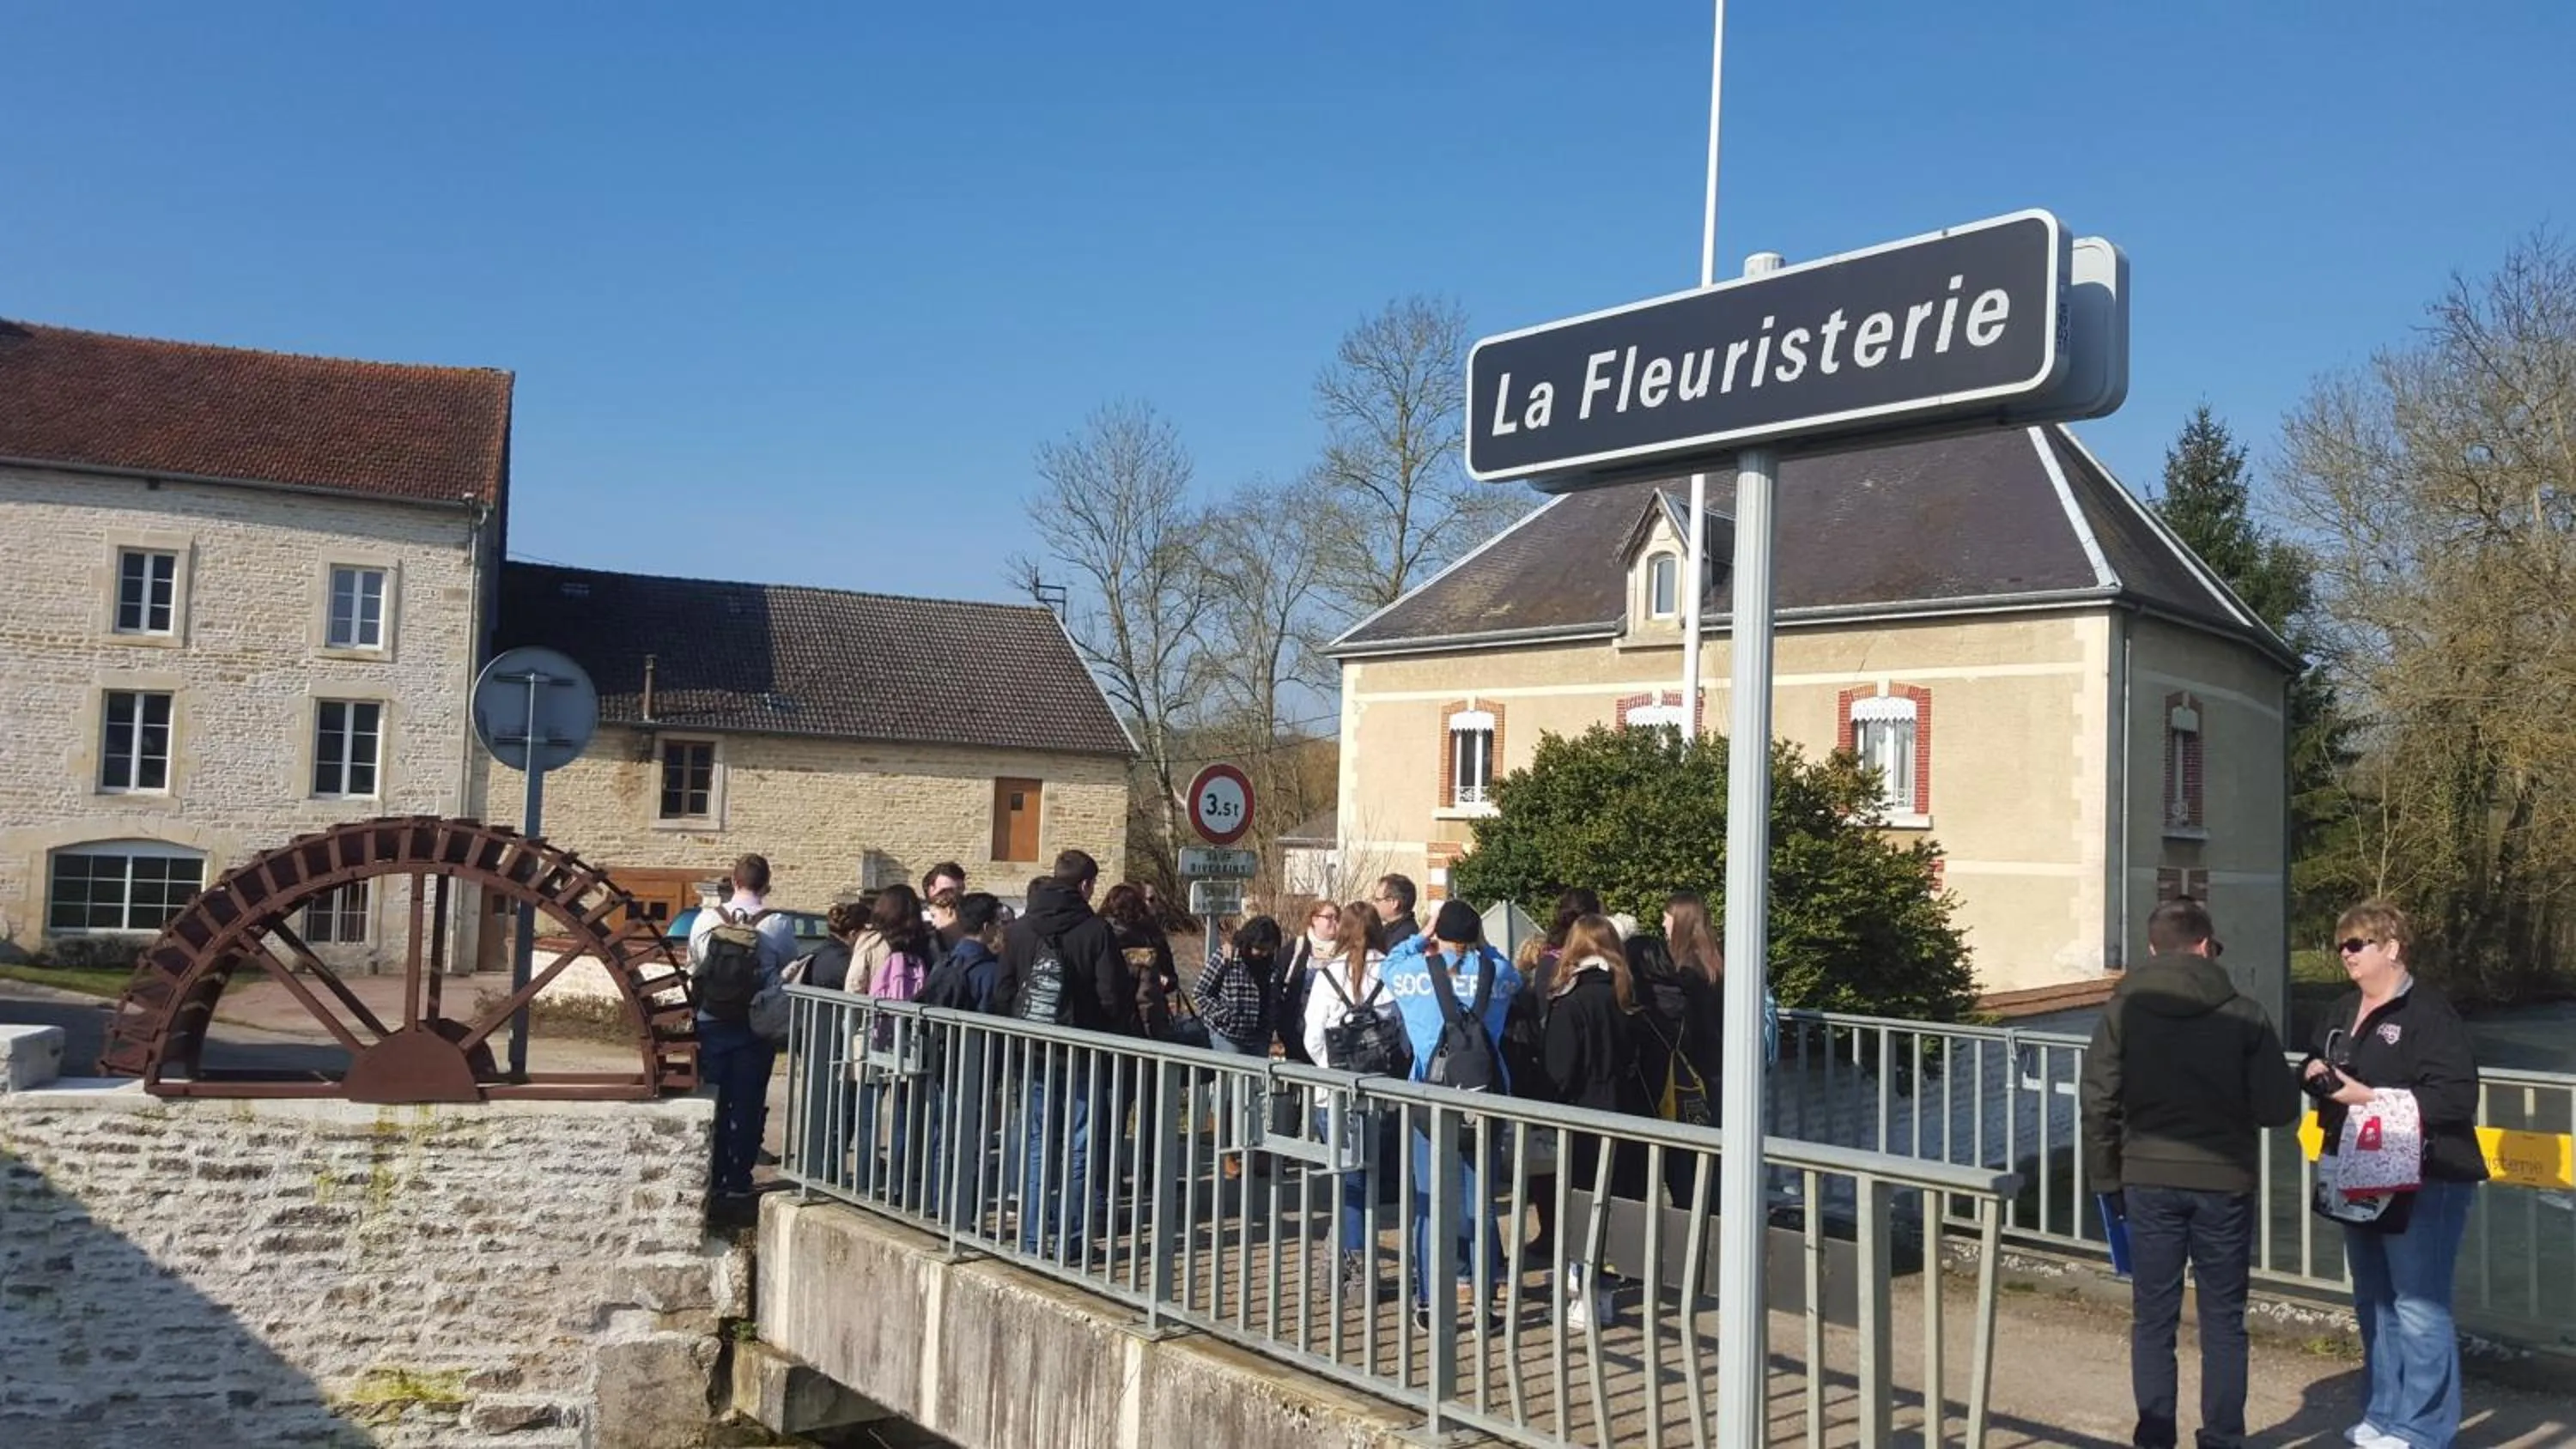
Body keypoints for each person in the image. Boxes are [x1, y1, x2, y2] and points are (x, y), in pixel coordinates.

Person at [2080, 897, 2302, 1449]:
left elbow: (2099, 1102)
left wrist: (2108, 1180)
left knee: (2153, 1320)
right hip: (2225, 1182)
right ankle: (2222, 1438)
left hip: (2147, 1180)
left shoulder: (2122, 1011)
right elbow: (2278, 1109)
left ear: (2152, 949)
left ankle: (2155, 1437)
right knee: (2224, 1321)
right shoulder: (2245, 1013)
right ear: (2206, 946)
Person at [2302, 900, 2485, 1449]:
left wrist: (2372, 1097)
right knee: (2375, 1301)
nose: (2347, 955)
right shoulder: (2341, 1008)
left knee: (2419, 1305)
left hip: (2429, 1177)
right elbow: (2315, 1064)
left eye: (2357, 944)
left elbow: (2455, 1098)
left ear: (2392, 948)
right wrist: (2312, 1073)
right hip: (2358, 1173)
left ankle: (2424, 1428)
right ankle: (2384, 1413)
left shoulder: (2429, 1014)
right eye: (2341, 946)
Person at [1382, 899, 1525, 1328]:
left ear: (1438, 933)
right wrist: (1485, 947)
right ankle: (1486, 1305)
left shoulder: (1411, 975)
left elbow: (1389, 964)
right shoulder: (1497, 975)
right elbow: (1514, 973)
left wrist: (1419, 936)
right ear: (1476, 936)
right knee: (1482, 1205)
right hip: (1485, 1098)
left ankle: (1429, 1304)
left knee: (1431, 1205)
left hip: (1431, 1100)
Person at [1000, 850, 1133, 1257]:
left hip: (1033, 1052)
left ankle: (1032, 1237)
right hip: (1083, 1051)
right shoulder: (1095, 931)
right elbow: (1113, 996)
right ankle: (1071, 1241)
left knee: (1039, 1143)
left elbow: (1003, 990)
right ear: (1086, 885)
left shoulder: (1020, 931)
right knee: (1079, 1146)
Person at [1542, 913, 1655, 1331]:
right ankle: (1604, 1295)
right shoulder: (1626, 997)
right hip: (1624, 1111)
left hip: (1582, 1114)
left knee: (1581, 1204)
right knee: (1614, 1203)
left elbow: (1559, 1069)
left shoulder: (1570, 1002)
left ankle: (1582, 1295)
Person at [1302, 902, 1399, 1299]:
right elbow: (1401, 1036)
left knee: (1348, 1180)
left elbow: (1312, 1038)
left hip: (1335, 1091)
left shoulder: (1327, 975)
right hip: (1377, 1090)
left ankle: (1354, 1273)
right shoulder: (1391, 972)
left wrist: (1334, 1068)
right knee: (1364, 1179)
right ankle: (1338, 1268)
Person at [690, 854, 798, 1203]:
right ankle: (739, 1179)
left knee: (713, 1100)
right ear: (766, 885)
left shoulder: (706, 918)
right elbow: (786, 967)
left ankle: (710, 1174)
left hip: (711, 1020)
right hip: (755, 1025)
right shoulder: (777, 924)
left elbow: (695, 962)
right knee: (748, 1103)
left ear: (733, 882)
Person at [1197, 915, 1284, 1058]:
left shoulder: (1272, 967)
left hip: (1260, 1036)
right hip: (1229, 1036)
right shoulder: (1227, 958)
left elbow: (1275, 998)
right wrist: (1226, 1016)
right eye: (1260, 949)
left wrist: (1272, 1021)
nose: (1264, 954)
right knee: (1233, 1080)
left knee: (1256, 1080)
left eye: (1269, 950)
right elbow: (1200, 993)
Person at [1102, 883, 1179, 1042]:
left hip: (1102, 1026)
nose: (1152, 905)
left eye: (1153, 900)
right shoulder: (1143, 943)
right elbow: (1147, 1001)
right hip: (1135, 1028)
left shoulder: (1153, 937)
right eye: (1149, 900)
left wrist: (1165, 980)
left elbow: (1170, 978)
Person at [1372, 874, 1421, 952]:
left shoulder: (1404, 938)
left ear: (1394, 903)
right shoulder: (1389, 929)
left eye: (1377, 900)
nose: (1373, 904)